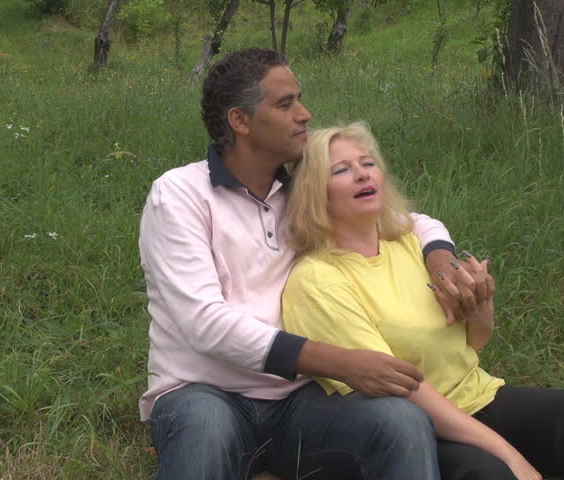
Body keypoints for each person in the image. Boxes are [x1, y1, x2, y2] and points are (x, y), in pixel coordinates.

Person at [138, 47, 486, 479]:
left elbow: (412, 221)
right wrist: (340, 362)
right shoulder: (180, 194)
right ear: (240, 121)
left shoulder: (299, 194)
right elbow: (204, 323)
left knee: (401, 420)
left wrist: (440, 259)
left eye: (299, 100)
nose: (304, 114)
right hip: (204, 392)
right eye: (286, 104)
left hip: (300, 400)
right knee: (206, 429)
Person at [281, 122, 564, 480]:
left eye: (367, 163)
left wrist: (480, 304)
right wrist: (511, 455)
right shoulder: (317, 280)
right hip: (415, 428)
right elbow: (398, 390)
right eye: (341, 170)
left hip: (479, 396)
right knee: (491, 472)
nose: (362, 174)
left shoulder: (409, 243)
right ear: (314, 193)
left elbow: (474, 343)